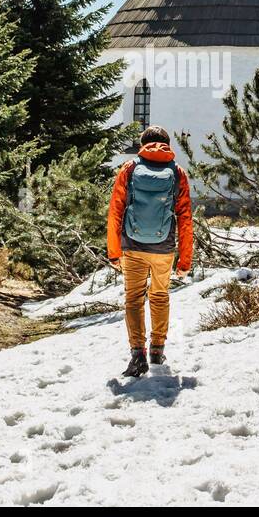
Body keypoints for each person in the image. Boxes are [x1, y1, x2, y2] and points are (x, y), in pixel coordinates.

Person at [106, 125, 193, 377]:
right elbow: (185, 218)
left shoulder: (129, 168)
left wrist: (114, 251)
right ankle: (157, 349)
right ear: (166, 144)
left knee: (133, 299)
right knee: (159, 296)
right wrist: (184, 260)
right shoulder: (177, 173)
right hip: (164, 247)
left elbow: (115, 212)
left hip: (132, 246)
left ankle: (137, 355)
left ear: (143, 143)